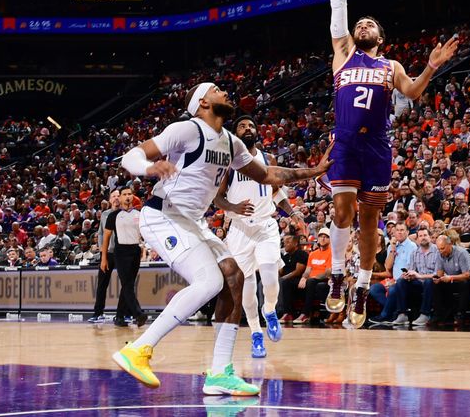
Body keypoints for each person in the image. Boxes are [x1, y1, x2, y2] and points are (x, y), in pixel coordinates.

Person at [113, 82, 332, 394]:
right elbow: (129, 157)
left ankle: (219, 373)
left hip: (193, 222)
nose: (225, 92)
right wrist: (150, 167)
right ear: (202, 102)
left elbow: (268, 175)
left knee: (234, 276)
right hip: (163, 215)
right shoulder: (187, 130)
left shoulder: (231, 142)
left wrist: (314, 171)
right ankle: (138, 349)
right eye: (216, 90)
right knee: (210, 282)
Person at [324, 0, 459, 329]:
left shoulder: (391, 65)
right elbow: (338, 8)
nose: (361, 24)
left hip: (378, 147)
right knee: (341, 212)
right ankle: (337, 276)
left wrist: (431, 67)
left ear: (380, 38)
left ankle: (362, 286)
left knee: (369, 222)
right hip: (346, 143)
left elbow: (413, 92)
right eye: (358, 24)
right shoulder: (344, 55)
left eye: (370, 24)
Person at [216, 115, 305, 358]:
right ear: (235, 134)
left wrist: (293, 211)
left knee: (270, 277)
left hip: (266, 225)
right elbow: (217, 198)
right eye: (242, 126)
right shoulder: (228, 164)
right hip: (240, 229)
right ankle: (256, 333)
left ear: (257, 132)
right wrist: (233, 208)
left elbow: (276, 193)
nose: (247, 128)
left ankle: (269, 311)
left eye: (251, 125)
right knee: (245, 287)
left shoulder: (268, 159)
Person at [101, 186, 146, 328]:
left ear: (133, 196)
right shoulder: (113, 216)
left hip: (135, 250)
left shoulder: (139, 214)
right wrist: (104, 258)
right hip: (120, 251)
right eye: (124, 194)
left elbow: (144, 235)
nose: (127, 196)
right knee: (127, 284)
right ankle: (138, 314)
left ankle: (119, 317)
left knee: (129, 285)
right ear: (119, 198)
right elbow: (106, 237)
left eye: (129, 194)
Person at [432, 234, 470, 325]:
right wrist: (438, 279)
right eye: (438, 249)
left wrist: (450, 278)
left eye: (442, 248)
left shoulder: (461, 253)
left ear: (449, 245)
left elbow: (467, 275)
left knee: (464, 284)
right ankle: (439, 315)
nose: (440, 251)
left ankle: (460, 315)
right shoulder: (439, 254)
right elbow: (439, 274)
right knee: (436, 285)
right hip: (453, 279)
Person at [89, 190, 120, 323]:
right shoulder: (105, 214)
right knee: (102, 284)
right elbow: (101, 233)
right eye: (113, 196)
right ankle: (98, 313)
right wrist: (103, 251)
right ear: (109, 199)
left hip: (122, 253)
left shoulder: (126, 214)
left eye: (118, 196)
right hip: (107, 254)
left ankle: (125, 314)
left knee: (126, 284)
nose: (116, 198)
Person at [292, 228, 333, 324]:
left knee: (311, 282)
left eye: (326, 237)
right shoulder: (312, 254)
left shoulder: (331, 253)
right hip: (311, 280)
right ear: (318, 239)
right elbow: (307, 270)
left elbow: (327, 273)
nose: (323, 239)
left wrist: (312, 278)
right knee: (289, 283)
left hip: (323, 280)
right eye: (321, 236)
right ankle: (287, 313)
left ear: (330, 240)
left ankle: (305, 314)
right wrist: (303, 278)